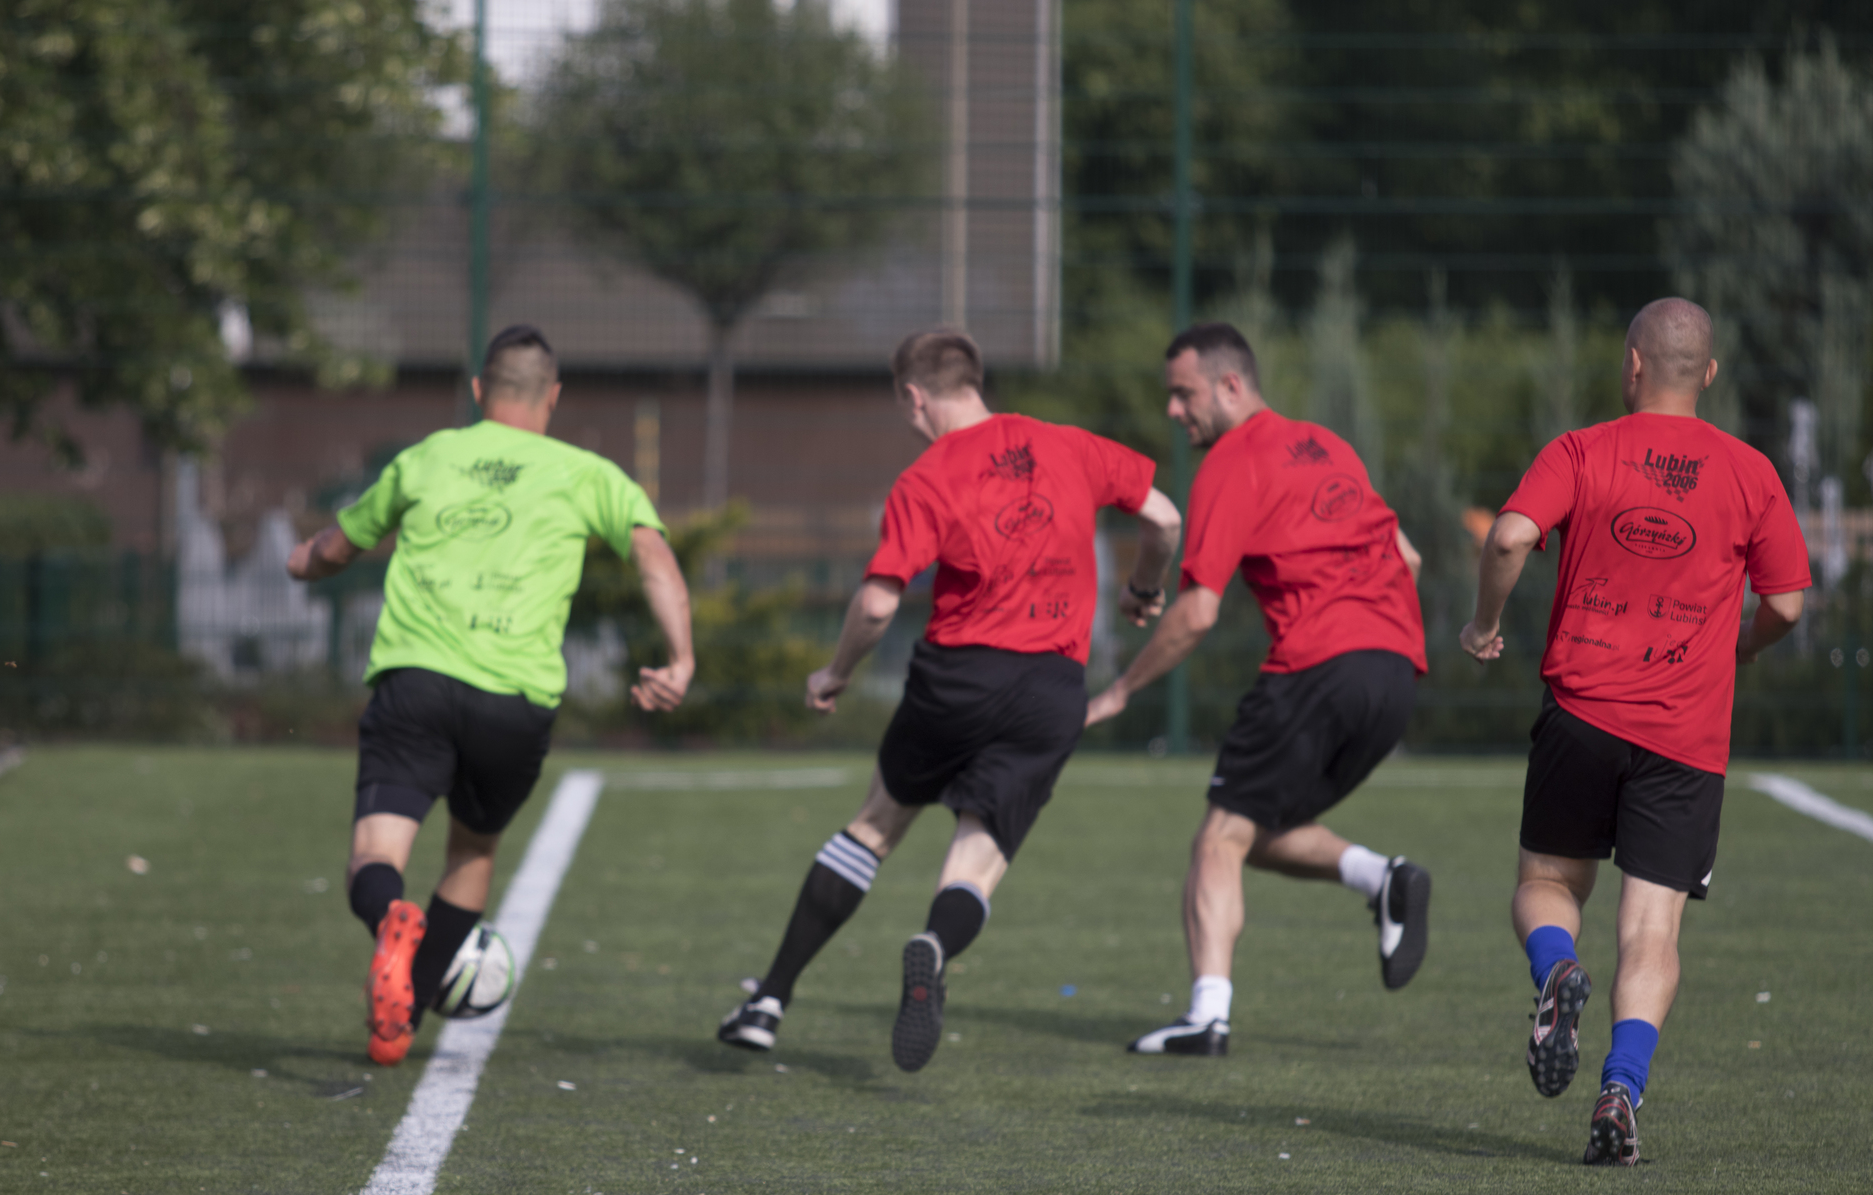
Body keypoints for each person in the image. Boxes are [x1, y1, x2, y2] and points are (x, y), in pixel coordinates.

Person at [717, 328, 1182, 1073]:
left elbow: (877, 606)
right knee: (977, 856)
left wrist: (835, 671)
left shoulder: (927, 477)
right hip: (1051, 689)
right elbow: (1163, 518)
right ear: (975, 381)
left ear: (914, 396)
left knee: (875, 825)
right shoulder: (1069, 445)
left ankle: (768, 1000)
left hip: (957, 680)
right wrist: (1144, 588)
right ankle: (934, 945)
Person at [1461, 297, 1809, 1165]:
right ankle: (1620, 1092)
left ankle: (1556, 970)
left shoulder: (1581, 450)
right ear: (1711, 374)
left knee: (1547, 881)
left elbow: (1507, 538)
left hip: (1581, 715)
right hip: (1686, 735)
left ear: (1632, 364)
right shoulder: (1751, 472)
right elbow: (1788, 605)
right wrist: (1740, 647)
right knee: (1652, 931)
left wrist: (1482, 624)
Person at [287, 324, 694, 1066]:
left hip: (416, 683)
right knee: (473, 851)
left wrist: (302, 561)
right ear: (553, 396)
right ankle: (403, 1016)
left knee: (375, 853)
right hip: (515, 702)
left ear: (480, 390)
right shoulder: (587, 473)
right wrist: (680, 657)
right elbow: (654, 557)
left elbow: (336, 548)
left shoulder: (427, 457)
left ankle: (391, 920)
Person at [1085, 322, 1433, 1057]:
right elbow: (1408, 557)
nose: (1173, 411)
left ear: (1231, 385)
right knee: (1257, 833)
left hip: (1317, 666)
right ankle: (1383, 879)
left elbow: (1198, 613)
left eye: (1183, 395)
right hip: (1396, 672)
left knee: (1217, 838)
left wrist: (1120, 690)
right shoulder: (1328, 445)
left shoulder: (1231, 461)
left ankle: (1206, 1017)